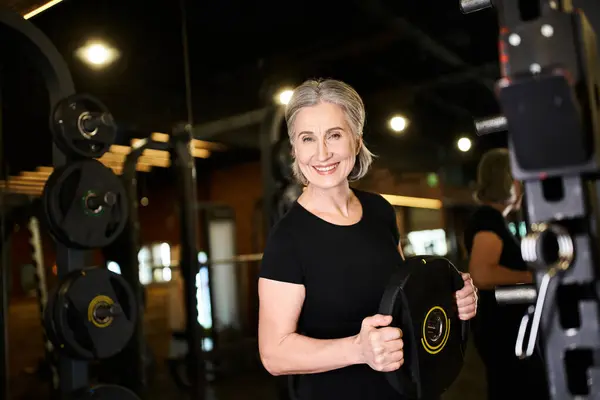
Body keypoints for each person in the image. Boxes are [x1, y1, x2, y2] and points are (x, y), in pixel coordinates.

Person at [257, 79, 478, 400]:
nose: (322, 153)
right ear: (294, 149)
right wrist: (358, 350)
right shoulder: (289, 238)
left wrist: (452, 298)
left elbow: (403, 301)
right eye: (308, 138)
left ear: (357, 141)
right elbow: (274, 354)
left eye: (334, 135)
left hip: (405, 390)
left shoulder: (380, 211)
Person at [464, 148, 549, 399]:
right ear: (508, 180)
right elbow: (482, 273)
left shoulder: (493, 219)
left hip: (505, 329)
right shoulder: (488, 219)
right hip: (505, 331)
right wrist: (533, 278)